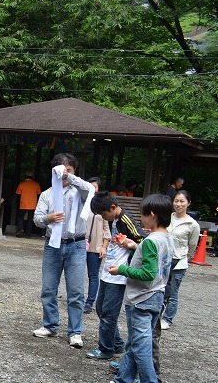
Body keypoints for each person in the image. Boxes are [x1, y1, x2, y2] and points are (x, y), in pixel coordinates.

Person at [95, 194, 173, 383]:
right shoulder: (167, 238)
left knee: (141, 346)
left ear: (153, 215)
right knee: (134, 344)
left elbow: (147, 273)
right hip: (156, 297)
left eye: (143, 214)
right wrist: (132, 246)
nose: (141, 219)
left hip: (141, 300)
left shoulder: (150, 241)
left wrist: (123, 269)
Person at [32, 153, 94, 348]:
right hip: (53, 244)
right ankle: (50, 325)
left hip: (76, 244)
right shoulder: (47, 194)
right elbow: (37, 218)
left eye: (70, 169)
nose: (65, 173)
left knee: (76, 291)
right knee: (48, 288)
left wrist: (70, 177)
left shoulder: (80, 192)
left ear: (75, 171)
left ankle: (75, 332)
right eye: (61, 169)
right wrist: (49, 218)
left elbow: (90, 189)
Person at [85, 191, 146, 362]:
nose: (104, 218)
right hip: (108, 272)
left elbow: (145, 240)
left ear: (112, 207)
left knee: (109, 313)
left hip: (119, 275)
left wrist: (130, 244)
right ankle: (117, 343)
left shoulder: (126, 220)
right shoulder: (114, 220)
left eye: (104, 214)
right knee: (100, 308)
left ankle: (106, 349)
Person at [161, 189, 199, 329]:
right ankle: (158, 314)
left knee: (173, 291)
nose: (178, 204)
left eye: (182, 201)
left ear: (188, 203)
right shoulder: (167, 217)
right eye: (176, 201)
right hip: (164, 258)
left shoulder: (192, 224)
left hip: (179, 260)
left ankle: (168, 319)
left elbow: (193, 244)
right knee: (161, 287)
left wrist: (186, 255)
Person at [84, 177, 110, 314]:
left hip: (96, 246)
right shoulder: (82, 202)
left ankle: (89, 302)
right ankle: (77, 299)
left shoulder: (103, 206)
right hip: (80, 243)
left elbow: (107, 229)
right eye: (90, 186)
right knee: (76, 273)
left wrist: (104, 247)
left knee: (93, 275)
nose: (93, 189)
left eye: (95, 186)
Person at [14, 171, 42, 237]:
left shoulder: (22, 184)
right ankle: (28, 234)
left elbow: (18, 194)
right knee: (30, 219)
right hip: (33, 205)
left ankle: (20, 229)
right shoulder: (36, 184)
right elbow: (39, 194)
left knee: (20, 217)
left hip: (23, 204)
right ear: (33, 177)